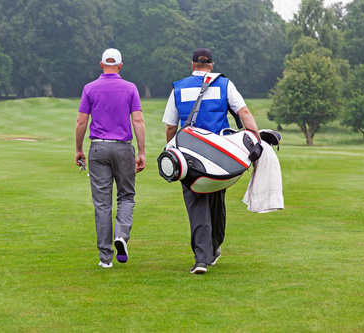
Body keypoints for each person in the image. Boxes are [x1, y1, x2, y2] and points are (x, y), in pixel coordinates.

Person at [162, 48, 260, 274]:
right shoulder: (225, 84)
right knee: (216, 201)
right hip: (219, 156)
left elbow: (170, 127)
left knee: (197, 203)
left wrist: (172, 150)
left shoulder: (178, 87)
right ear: (212, 65)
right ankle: (213, 247)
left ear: (192, 64)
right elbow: (243, 112)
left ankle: (201, 258)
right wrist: (255, 139)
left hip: (188, 157)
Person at [75, 48, 146, 269]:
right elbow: (138, 121)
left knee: (102, 204)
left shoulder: (89, 88)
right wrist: (142, 152)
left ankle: (105, 258)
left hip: (97, 149)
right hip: (123, 148)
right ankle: (122, 236)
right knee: (126, 196)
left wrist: (79, 149)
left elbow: (81, 122)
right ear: (121, 66)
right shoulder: (130, 88)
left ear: (101, 64)